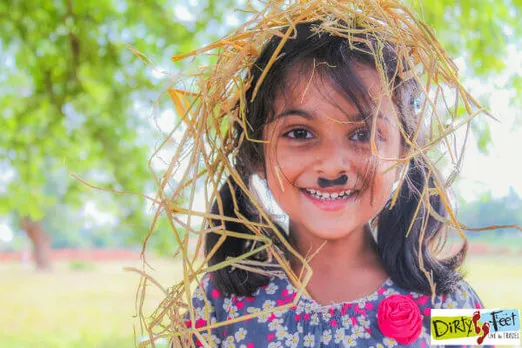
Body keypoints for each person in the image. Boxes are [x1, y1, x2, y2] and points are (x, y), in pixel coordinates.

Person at [166, 2, 487, 347]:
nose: (332, 166)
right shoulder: (218, 308)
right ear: (255, 152)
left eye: (363, 133)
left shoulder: (456, 305)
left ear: (405, 150)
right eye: (300, 133)